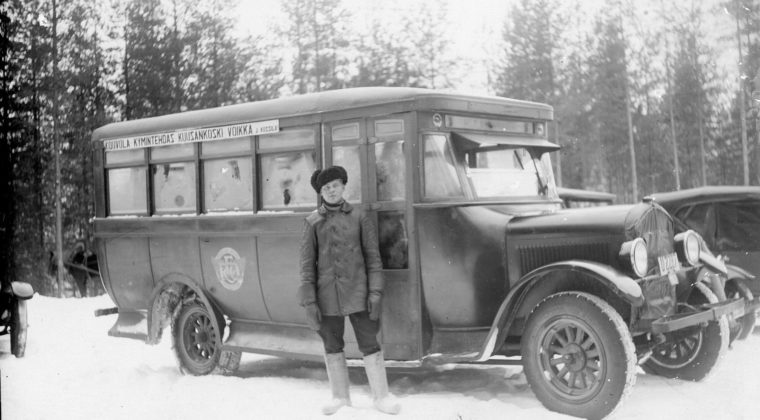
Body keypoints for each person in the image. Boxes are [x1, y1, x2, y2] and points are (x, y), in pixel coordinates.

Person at [298, 165, 400, 416]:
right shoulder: (312, 223)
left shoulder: (359, 217)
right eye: (326, 188)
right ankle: (340, 397)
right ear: (320, 193)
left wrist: (375, 292)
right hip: (327, 296)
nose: (331, 191)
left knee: (370, 343)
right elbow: (306, 267)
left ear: (343, 186)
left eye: (335, 186)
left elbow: (373, 259)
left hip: (359, 292)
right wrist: (310, 303)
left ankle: (381, 396)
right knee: (332, 345)